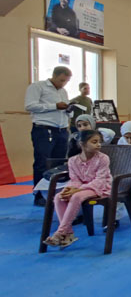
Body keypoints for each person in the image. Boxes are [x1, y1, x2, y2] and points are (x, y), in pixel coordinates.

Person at [43, 130, 111, 247]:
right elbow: (75, 180)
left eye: (99, 142)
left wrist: (77, 190)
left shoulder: (103, 158)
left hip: (100, 188)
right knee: (59, 197)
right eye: (94, 142)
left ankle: (61, 232)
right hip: (81, 188)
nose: (98, 145)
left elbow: (100, 180)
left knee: (76, 197)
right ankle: (68, 233)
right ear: (82, 144)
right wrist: (69, 189)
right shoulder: (73, 160)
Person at [26, 66, 72, 207]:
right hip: (44, 129)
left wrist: (69, 110)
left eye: (66, 81)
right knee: (43, 162)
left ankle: (56, 194)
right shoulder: (38, 87)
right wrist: (54, 106)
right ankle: (39, 195)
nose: (63, 83)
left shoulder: (63, 91)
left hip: (62, 129)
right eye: (61, 80)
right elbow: (30, 106)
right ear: (54, 76)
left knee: (58, 164)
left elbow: (64, 110)